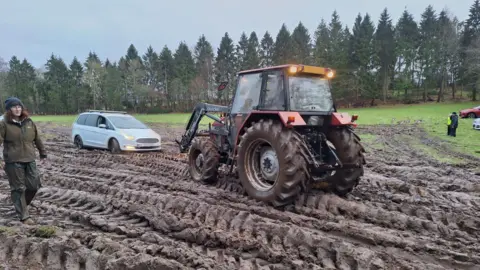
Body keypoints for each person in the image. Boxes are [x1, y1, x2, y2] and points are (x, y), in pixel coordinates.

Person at [0, 97, 47, 225]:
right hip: (13, 161)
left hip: (29, 159)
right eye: (14, 107)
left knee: (34, 185)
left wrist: (43, 153)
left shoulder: (29, 122)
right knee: (18, 188)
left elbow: (37, 138)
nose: (17, 109)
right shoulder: (4, 123)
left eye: (19, 106)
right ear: (9, 109)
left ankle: (21, 206)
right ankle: (24, 216)